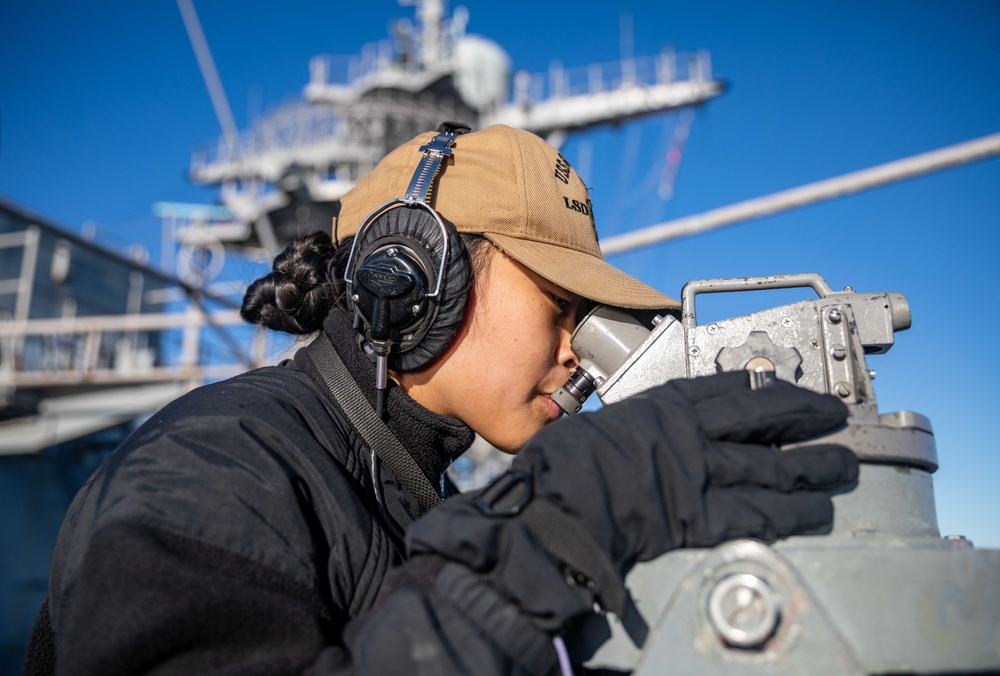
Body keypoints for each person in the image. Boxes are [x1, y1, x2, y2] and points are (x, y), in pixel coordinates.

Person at [23, 124, 857, 675]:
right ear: (417, 280)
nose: (580, 352)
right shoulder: (217, 467)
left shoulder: (411, 492)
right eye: (560, 309)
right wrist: (540, 538)